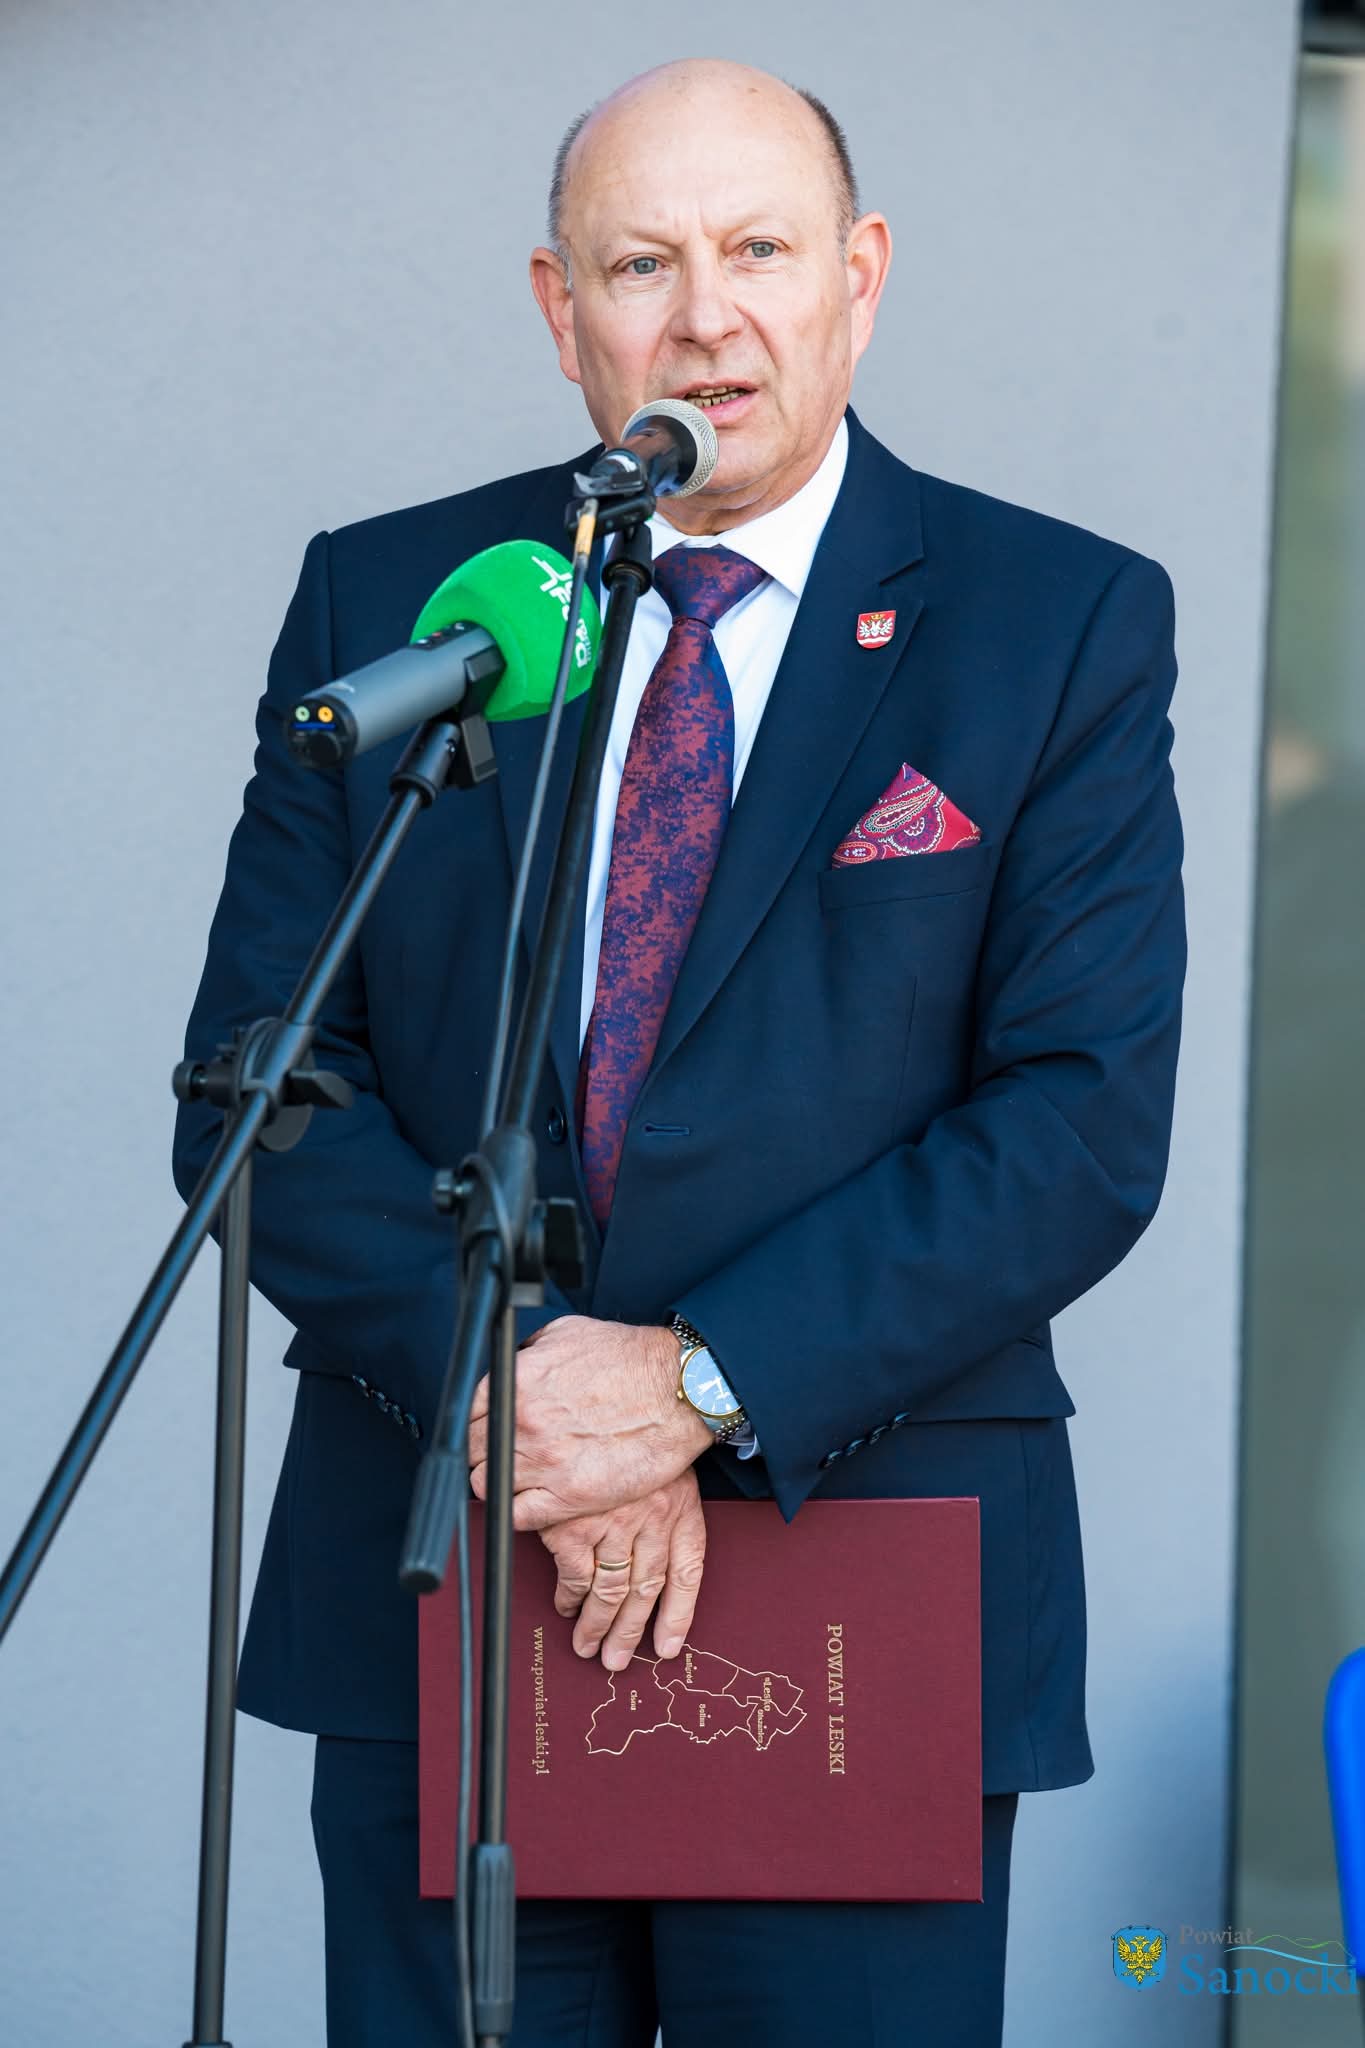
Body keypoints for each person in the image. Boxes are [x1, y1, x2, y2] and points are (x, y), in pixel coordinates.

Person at [173, 56, 1186, 2048]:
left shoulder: (1052, 620)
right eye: (640, 263)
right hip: (447, 1564)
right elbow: (258, 1087)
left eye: (758, 251)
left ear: (858, 277)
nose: (704, 315)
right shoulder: (401, 601)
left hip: (865, 1573)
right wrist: (525, 1391)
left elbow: (1074, 1123)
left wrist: (689, 1386)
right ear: (559, 310)